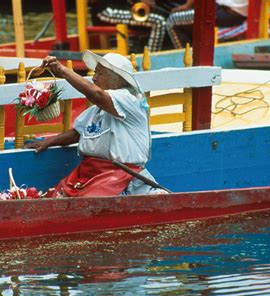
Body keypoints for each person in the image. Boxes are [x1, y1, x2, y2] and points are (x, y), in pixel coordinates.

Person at [26, 51, 166, 198]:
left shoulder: (130, 100)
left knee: (86, 203)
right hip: (90, 172)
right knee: (55, 197)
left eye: (99, 73)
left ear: (116, 79)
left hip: (120, 173)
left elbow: (97, 94)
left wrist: (62, 70)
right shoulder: (97, 109)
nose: (94, 78)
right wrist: (48, 142)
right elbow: (78, 133)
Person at [92, 0, 189, 52]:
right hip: (105, 10)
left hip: (128, 7)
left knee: (165, 17)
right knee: (158, 21)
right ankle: (150, 62)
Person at [166, 0, 248, 48]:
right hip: (226, 10)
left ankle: (185, 58)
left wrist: (187, 6)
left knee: (173, 21)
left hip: (225, 12)